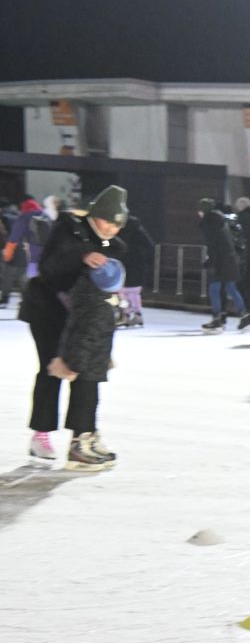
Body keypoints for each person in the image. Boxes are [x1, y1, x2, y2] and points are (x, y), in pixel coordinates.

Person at [23, 186, 128, 470]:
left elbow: (122, 248)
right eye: (108, 221)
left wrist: (101, 248)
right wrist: (82, 255)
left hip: (80, 313)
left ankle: (82, 436)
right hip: (47, 309)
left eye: (118, 224)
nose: (112, 229)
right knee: (52, 368)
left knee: (87, 369)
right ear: (95, 215)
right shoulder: (68, 228)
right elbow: (49, 265)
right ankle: (41, 433)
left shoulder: (108, 241)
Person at [198, 198, 244, 332]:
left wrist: (208, 261)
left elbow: (213, 245)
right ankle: (244, 315)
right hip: (229, 259)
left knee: (214, 288)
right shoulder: (220, 221)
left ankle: (217, 318)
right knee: (230, 287)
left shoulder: (209, 223)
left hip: (221, 261)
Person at [116, 212, 156, 329]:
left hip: (121, 261)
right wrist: (148, 260)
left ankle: (126, 314)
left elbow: (107, 242)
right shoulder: (137, 228)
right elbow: (149, 244)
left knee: (122, 291)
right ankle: (137, 313)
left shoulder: (115, 228)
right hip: (137, 262)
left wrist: (103, 245)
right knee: (134, 291)